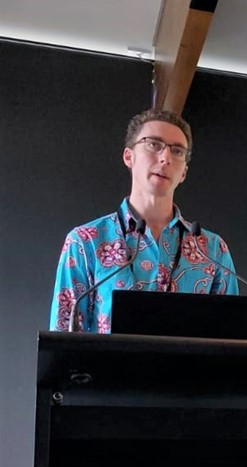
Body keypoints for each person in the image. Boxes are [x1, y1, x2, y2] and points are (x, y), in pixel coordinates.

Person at [50, 109, 237, 333]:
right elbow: (64, 336)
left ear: (184, 172)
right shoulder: (85, 242)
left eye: (177, 151)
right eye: (153, 144)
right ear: (129, 156)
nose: (165, 158)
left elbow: (230, 340)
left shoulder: (212, 250)